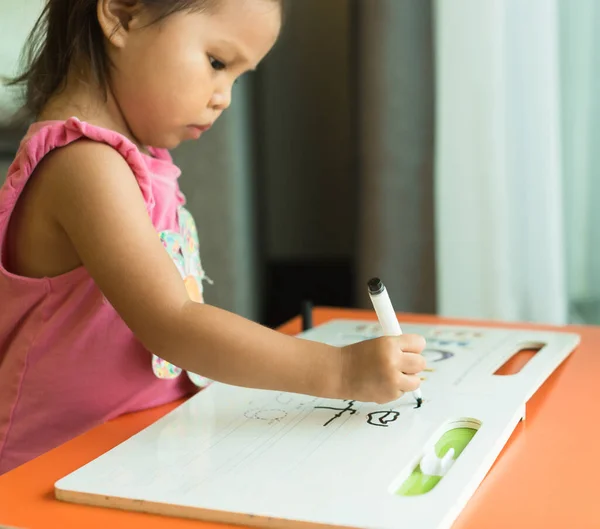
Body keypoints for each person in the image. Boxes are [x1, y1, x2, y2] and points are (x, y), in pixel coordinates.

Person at [0, 0, 426, 475]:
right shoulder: (84, 165)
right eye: (218, 63)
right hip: (47, 470)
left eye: (237, 77)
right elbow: (173, 322)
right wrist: (340, 371)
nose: (223, 97)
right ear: (122, 14)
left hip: (134, 449)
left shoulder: (135, 160)